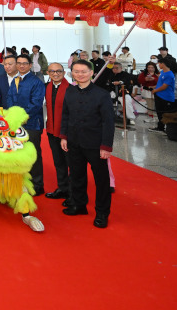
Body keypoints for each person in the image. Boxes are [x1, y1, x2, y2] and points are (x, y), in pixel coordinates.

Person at [61, 59, 114, 228]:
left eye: (83, 71)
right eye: (76, 71)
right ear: (72, 74)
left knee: (101, 180)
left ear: (91, 73)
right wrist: (64, 137)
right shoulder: (70, 92)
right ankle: (79, 205)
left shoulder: (102, 94)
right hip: (74, 141)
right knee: (76, 175)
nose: (80, 75)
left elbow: (108, 122)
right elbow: (65, 116)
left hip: (95, 144)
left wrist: (106, 146)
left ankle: (102, 212)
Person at [6, 54, 46, 196]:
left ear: (30, 65)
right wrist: (12, 116)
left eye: (25, 63)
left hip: (32, 124)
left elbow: (36, 104)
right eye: (19, 63)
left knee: (32, 154)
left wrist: (21, 116)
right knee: (18, 153)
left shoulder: (36, 82)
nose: (21, 66)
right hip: (16, 124)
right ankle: (22, 181)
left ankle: (37, 184)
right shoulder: (15, 80)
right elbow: (9, 99)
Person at [44, 63, 71, 200]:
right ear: (48, 73)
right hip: (51, 130)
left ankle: (73, 192)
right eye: (52, 71)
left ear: (64, 72)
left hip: (66, 132)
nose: (55, 74)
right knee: (58, 161)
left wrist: (65, 134)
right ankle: (63, 188)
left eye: (59, 71)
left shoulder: (71, 89)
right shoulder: (48, 87)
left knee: (71, 162)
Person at [152, 59, 177, 133]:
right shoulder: (162, 72)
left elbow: (165, 86)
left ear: (163, 64)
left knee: (165, 113)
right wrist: (154, 87)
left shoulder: (169, 74)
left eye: (159, 63)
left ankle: (166, 128)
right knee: (159, 113)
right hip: (159, 95)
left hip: (165, 97)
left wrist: (155, 90)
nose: (158, 65)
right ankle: (160, 127)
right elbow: (160, 83)